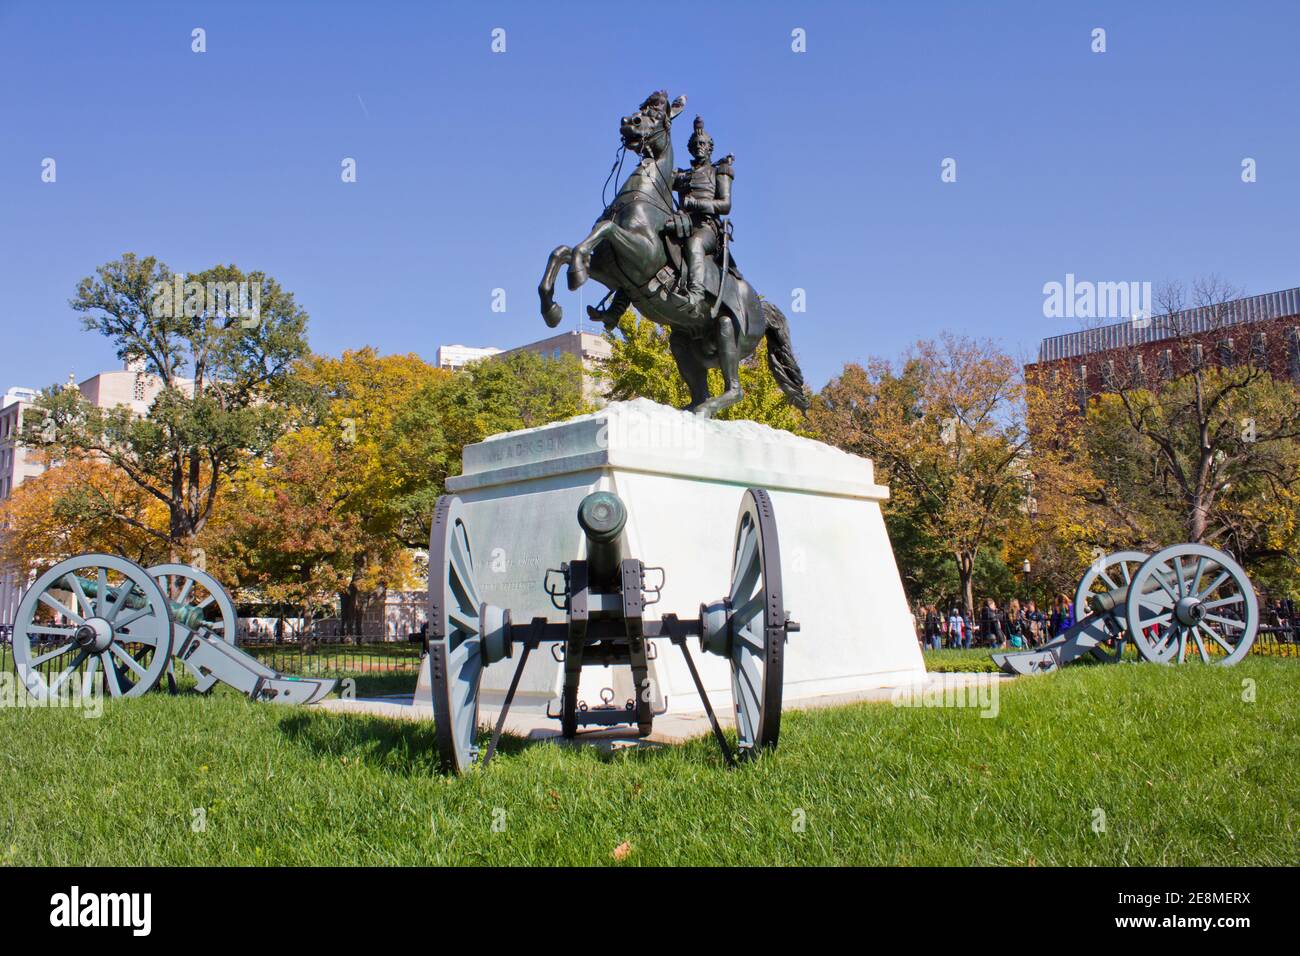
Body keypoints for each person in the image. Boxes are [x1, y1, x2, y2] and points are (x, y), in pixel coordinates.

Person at [671, 116, 734, 318]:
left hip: (707, 228)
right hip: (682, 224)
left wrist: (696, 204)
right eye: (695, 144)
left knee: (694, 245)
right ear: (689, 148)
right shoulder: (682, 175)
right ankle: (618, 306)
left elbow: (725, 205)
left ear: (709, 148)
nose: (699, 146)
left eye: (702, 144)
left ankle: (696, 294)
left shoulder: (719, 172)